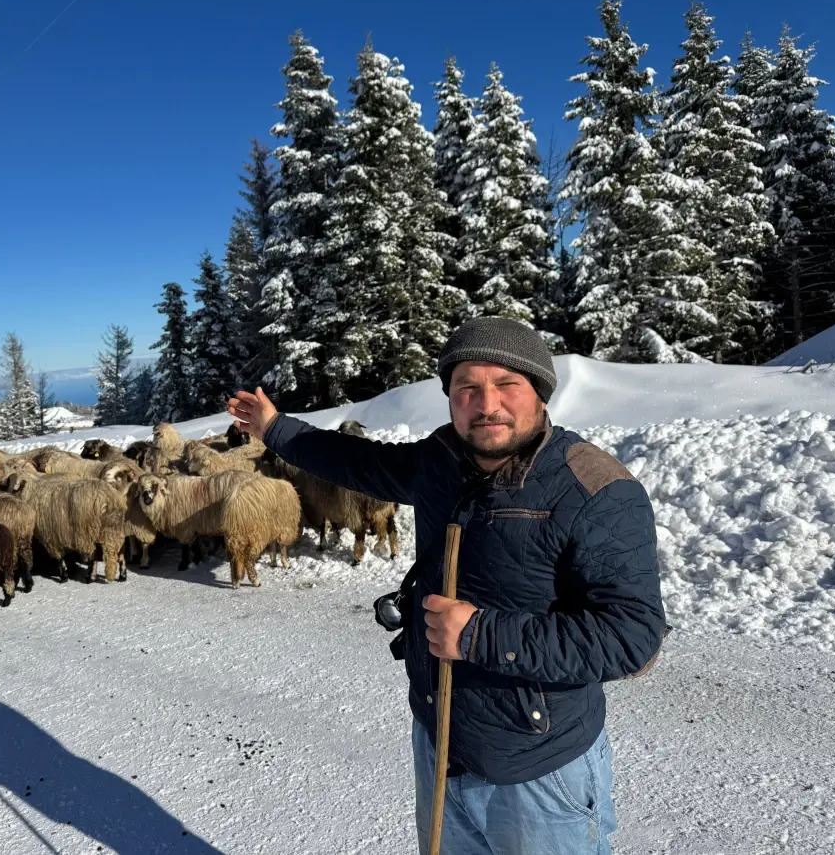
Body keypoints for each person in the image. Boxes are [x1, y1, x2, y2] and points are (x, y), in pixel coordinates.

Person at [227, 317, 666, 855]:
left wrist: (480, 635)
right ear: (451, 398)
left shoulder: (595, 489)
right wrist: (274, 427)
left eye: (507, 384)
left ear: (540, 393)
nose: (487, 404)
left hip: (536, 768)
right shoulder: (442, 460)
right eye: (467, 388)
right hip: (441, 741)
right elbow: (357, 462)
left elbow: (632, 637)